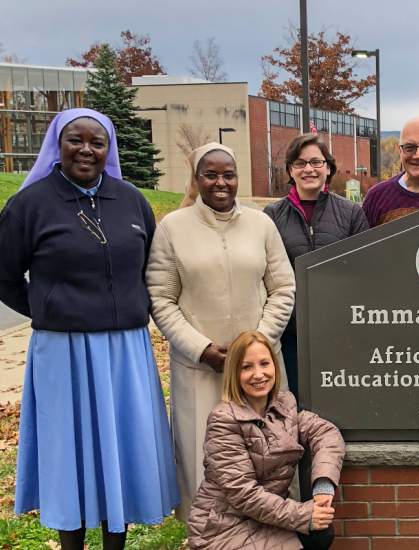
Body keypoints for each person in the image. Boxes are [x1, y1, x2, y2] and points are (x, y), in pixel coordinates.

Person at [0, 108, 178, 549]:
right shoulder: (29, 205)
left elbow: (149, 269)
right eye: (75, 140)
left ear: (108, 148)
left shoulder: (132, 201)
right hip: (64, 351)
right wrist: (49, 309)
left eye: (97, 142)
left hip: (126, 350)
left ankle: (116, 543)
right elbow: (4, 275)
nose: (86, 149)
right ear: (57, 146)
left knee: (120, 453)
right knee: (71, 458)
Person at [146, 142, 295, 519]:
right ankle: (210, 532)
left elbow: (283, 287)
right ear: (196, 179)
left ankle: (269, 531)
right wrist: (199, 348)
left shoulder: (261, 223)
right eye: (210, 175)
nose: (220, 182)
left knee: (267, 454)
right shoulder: (172, 229)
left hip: (259, 368)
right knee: (204, 458)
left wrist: (258, 346)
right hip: (201, 369)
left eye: (228, 174)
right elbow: (161, 297)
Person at [187, 330, 345, 550]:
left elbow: (326, 433)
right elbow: (244, 493)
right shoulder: (223, 420)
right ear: (234, 373)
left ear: (274, 366)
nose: (258, 374)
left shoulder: (285, 405)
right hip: (224, 527)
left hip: (266, 518)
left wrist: (323, 486)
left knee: (321, 533)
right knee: (312, 528)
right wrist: (302, 514)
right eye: (247, 367)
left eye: (264, 363)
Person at [264, 133, 369, 400]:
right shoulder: (271, 216)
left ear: (328, 168)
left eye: (315, 162)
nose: (308, 169)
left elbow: (364, 273)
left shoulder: (351, 213)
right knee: (294, 403)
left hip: (340, 331)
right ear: (290, 169)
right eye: (299, 163)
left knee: (339, 402)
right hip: (290, 334)